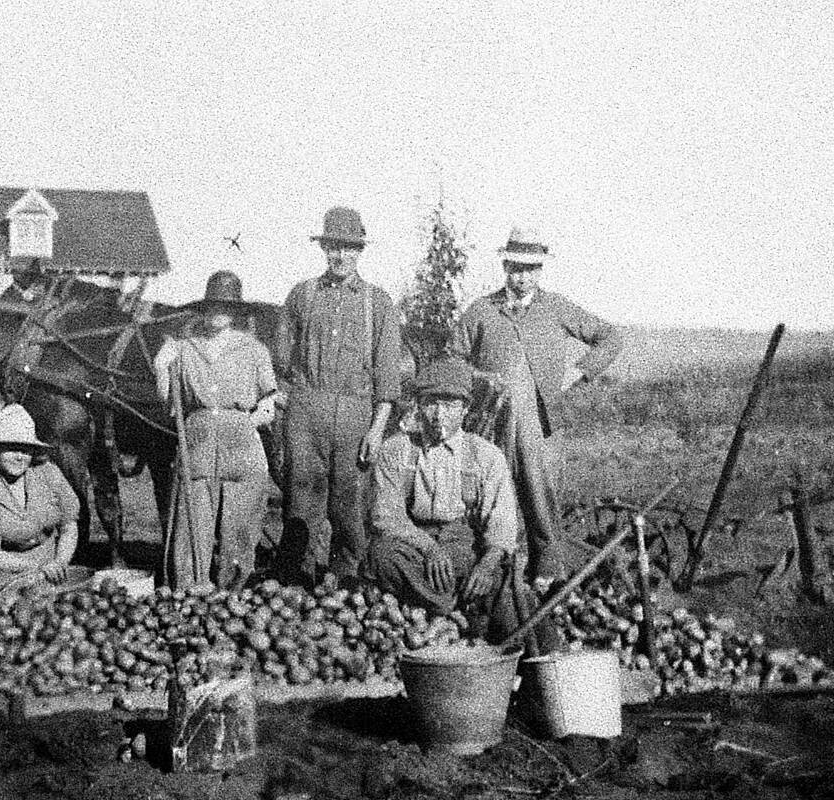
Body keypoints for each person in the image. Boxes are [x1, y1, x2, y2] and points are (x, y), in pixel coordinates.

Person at [450, 227, 623, 589]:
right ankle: (495, 574)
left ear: (540, 271)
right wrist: (483, 380)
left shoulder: (555, 308)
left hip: (539, 425)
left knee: (539, 495)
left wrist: (579, 373)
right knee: (493, 495)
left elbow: (610, 337)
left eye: (529, 269)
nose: (521, 277)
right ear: (504, 267)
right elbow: (452, 361)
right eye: (515, 268)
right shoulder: (481, 311)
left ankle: (547, 574)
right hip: (490, 424)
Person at [362, 357, 559, 649]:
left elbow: (501, 522)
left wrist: (487, 564)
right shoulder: (396, 450)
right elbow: (386, 516)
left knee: (506, 585)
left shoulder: (486, 456)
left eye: (451, 406)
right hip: (414, 545)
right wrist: (428, 547)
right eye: (431, 404)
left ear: (465, 410)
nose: (440, 415)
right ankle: (455, 606)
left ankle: (468, 608)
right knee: (380, 557)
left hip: (464, 546)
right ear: (418, 405)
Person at [273, 206, 403, 587]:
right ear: (323, 248)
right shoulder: (302, 295)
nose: (340, 256)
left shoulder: (377, 303)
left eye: (349, 248)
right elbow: (283, 358)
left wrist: (377, 430)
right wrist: (291, 404)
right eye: (333, 247)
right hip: (306, 406)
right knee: (301, 497)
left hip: (355, 412)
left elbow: (388, 375)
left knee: (349, 500)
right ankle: (301, 575)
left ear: (360, 252)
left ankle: (347, 576)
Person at [154, 270, 278, 590]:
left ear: (236, 313)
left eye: (225, 308)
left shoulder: (254, 349)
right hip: (197, 436)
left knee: (239, 523)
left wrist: (253, 419)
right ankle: (189, 590)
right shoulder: (183, 348)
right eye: (211, 307)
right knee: (192, 521)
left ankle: (231, 592)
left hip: (241, 441)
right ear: (203, 310)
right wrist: (160, 369)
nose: (217, 314)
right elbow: (168, 402)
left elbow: (271, 398)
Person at [0, 404, 80, 591]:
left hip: (52, 569)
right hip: (6, 572)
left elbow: (69, 525)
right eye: (11, 448)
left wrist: (61, 561)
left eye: (25, 450)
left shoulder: (48, 474)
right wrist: (35, 568)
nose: (20, 457)